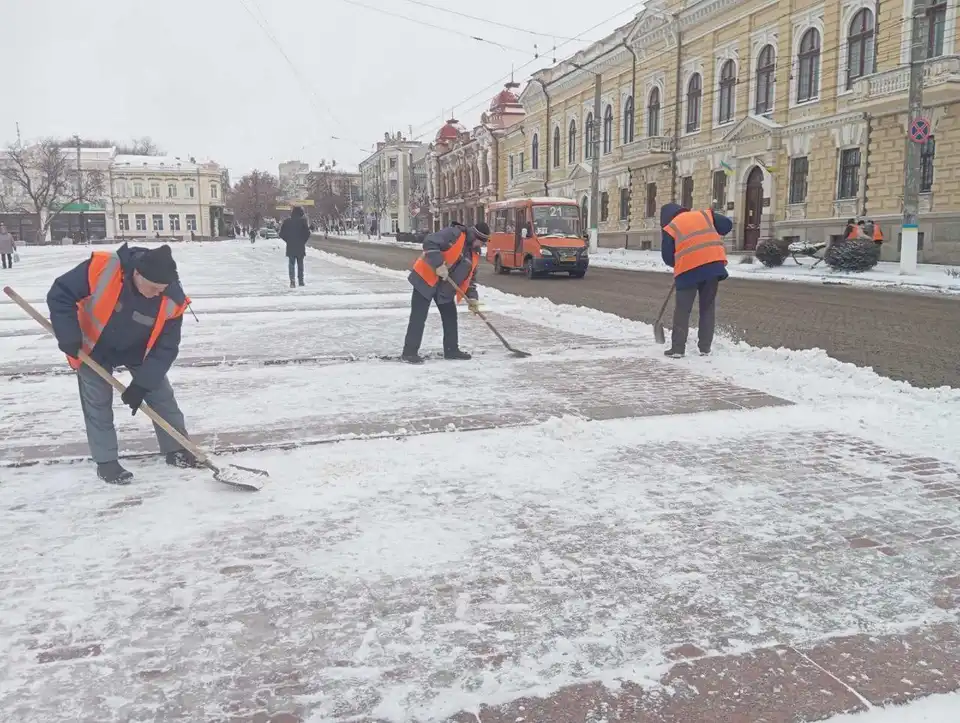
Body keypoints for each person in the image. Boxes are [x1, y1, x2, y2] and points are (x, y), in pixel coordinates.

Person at [46, 243, 200, 485]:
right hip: (92, 346)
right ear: (137, 274)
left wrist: (142, 384)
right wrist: (68, 334)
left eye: (162, 289)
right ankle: (106, 462)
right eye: (153, 288)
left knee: (161, 396)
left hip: (140, 350)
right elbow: (60, 293)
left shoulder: (172, 299)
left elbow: (166, 348)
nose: (158, 293)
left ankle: (178, 448)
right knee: (97, 402)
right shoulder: (102, 268)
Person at [401, 220, 489, 364]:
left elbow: (470, 280)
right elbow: (429, 242)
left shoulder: (473, 254)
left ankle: (451, 350)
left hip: (444, 287)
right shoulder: (454, 234)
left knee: (450, 317)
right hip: (425, 278)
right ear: (476, 237)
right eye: (482, 242)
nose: (482, 246)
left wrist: (472, 298)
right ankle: (409, 353)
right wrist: (439, 264)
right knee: (418, 317)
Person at [660, 203, 732, 358]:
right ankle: (705, 348)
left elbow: (667, 257)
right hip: (713, 266)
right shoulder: (705, 215)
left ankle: (678, 349)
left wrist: (681, 260)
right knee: (707, 308)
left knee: (682, 310)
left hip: (688, 271)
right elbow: (727, 225)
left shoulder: (671, 227)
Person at [279, 206, 311, 288]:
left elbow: (281, 234)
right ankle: (301, 281)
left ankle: (292, 281)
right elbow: (307, 233)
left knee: (291, 264)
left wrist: (288, 240)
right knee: (300, 264)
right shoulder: (303, 221)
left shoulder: (287, 222)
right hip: (300, 246)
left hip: (291, 246)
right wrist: (302, 241)